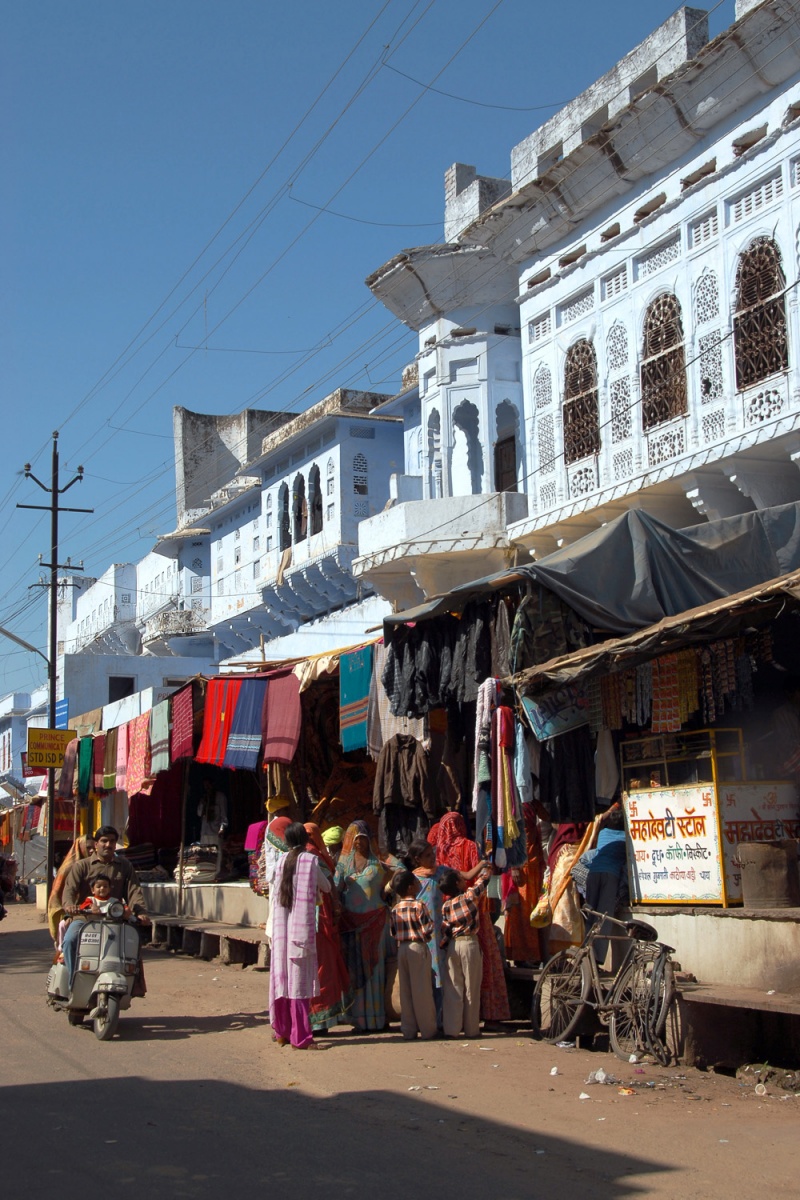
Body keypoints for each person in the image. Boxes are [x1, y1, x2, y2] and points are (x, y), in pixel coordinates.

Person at [432, 812, 510, 1024]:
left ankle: (451, 1023)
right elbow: (478, 880)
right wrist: (486, 866)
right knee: (483, 967)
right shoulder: (469, 846)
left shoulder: (438, 851)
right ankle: (487, 1017)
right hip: (473, 913)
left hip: (447, 916)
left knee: (453, 978)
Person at [269, 821, 331, 1049]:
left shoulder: (281, 860)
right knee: (299, 986)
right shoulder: (311, 861)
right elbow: (326, 887)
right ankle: (302, 1037)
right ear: (306, 840)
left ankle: (282, 1032)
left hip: (281, 932)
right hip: (300, 932)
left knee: (282, 983)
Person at [61, 826, 149, 984]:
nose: (108, 845)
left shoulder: (125, 866)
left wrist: (141, 912)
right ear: (96, 844)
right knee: (69, 941)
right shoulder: (82, 866)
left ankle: (132, 985)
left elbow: (134, 891)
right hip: (85, 919)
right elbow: (69, 891)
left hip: (115, 920)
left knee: (133, 943)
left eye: (112, 841)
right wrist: (70, 906)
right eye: (104, 841)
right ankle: (73, 981)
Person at [334, 820, 395, 1032]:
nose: (359, 844)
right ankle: (358, 1020)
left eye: (362, 840)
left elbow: (403, 872)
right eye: (355, 840)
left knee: (375, 969)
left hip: (376, 923)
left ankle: (377, 1019)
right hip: (350, 926)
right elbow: (334, 889)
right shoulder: (343, 864)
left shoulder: (379, 860)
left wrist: (387, 890)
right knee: (355, 972)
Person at [304, 822, 350, 1033]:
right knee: (324, 967)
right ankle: (321, 1020)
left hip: (306, 921)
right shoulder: (314, 856)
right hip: (321, 918)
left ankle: (311, 1019)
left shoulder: (294, 856)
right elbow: (327, 887)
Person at [439, 864, 492, 1038]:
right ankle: (471, 1029)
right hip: (469, 943)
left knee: (454, 987)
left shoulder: (446, 906)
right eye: (462, 879)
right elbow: (483, 880)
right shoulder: (469, 896)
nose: (465, 880)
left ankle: (452, 1029)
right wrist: (487, 866)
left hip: (453, 946)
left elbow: (445, 929)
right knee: (471, 988)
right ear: (458, 884)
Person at [389, 869, 438, 1041]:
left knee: (406, 990)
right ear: (411, 888)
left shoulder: (395, 909)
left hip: (402, 948)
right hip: (417, 946)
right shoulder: (419, 905)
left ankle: (408, 1030)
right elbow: (427, 928)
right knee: (422, 989)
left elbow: (393, 932)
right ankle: (428, 1029)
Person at [501, 801, 545, 966]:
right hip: (521, 867)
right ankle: (522, 955)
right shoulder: (516, 808)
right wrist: (515, 867)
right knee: (521, 912)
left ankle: (531, 954)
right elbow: (511, 837)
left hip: (533, 866)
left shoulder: (532, 806)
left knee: (532, 910)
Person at [585, 807, 628, 969]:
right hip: (610, 876)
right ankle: (596, 961)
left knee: (590, 915)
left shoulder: (603, 834)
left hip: (593, 874)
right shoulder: (625, 839)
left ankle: (585, 958)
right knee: (604, 918)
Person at [544, 823, 587, 955]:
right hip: (565, 888)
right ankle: (566, 955)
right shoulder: (571, 848)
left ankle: (561, 957)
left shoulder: (559, 846)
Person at [47, 834, 95, 944]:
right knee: (67, 938)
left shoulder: (97, 865)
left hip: (94, 909)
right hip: (72, 910)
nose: (92, 851)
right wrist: (69, 908)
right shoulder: (68, 869)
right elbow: (62, 893)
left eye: (94, 848)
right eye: (88, 848)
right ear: (80, 847)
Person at [197, 778, 229, 877]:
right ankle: (206, 875)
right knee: (205, 855)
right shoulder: (204, 798)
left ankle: (215, 874)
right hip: (205, 831)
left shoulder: (220, 797)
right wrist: (203, 802)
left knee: (216, 854)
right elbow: (199, 814)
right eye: (205, 786)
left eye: (208, 785)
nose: (207, 788)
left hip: (215, 831)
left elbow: (224, 814)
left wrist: (222, 827)